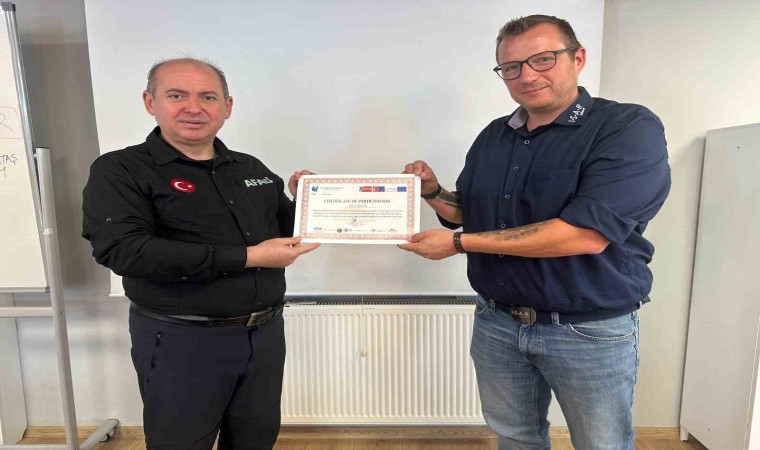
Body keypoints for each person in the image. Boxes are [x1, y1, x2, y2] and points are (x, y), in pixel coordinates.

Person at [399, 15, 670, 450]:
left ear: (578, 58)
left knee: (602, 444)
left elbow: (585, 234)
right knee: (515, 437)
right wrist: (432, 192)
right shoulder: (494, 135)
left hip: (587, 329)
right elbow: (470, 213)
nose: (526, 76)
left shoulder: (626, 127)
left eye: (543, 59)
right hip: (497, 322)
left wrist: (458, 244)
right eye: (511, 67)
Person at [82, 57, 319, 450]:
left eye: (208, 97)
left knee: (255, 439)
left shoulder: (250, 168)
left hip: (263, 335)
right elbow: (124, 250)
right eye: (177, 95)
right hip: (181, 339)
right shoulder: (120, 170)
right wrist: (249, 257)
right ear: (150, 102)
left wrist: (312, 201)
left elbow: (287, 230)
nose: (194, 107)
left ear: (227, 106)